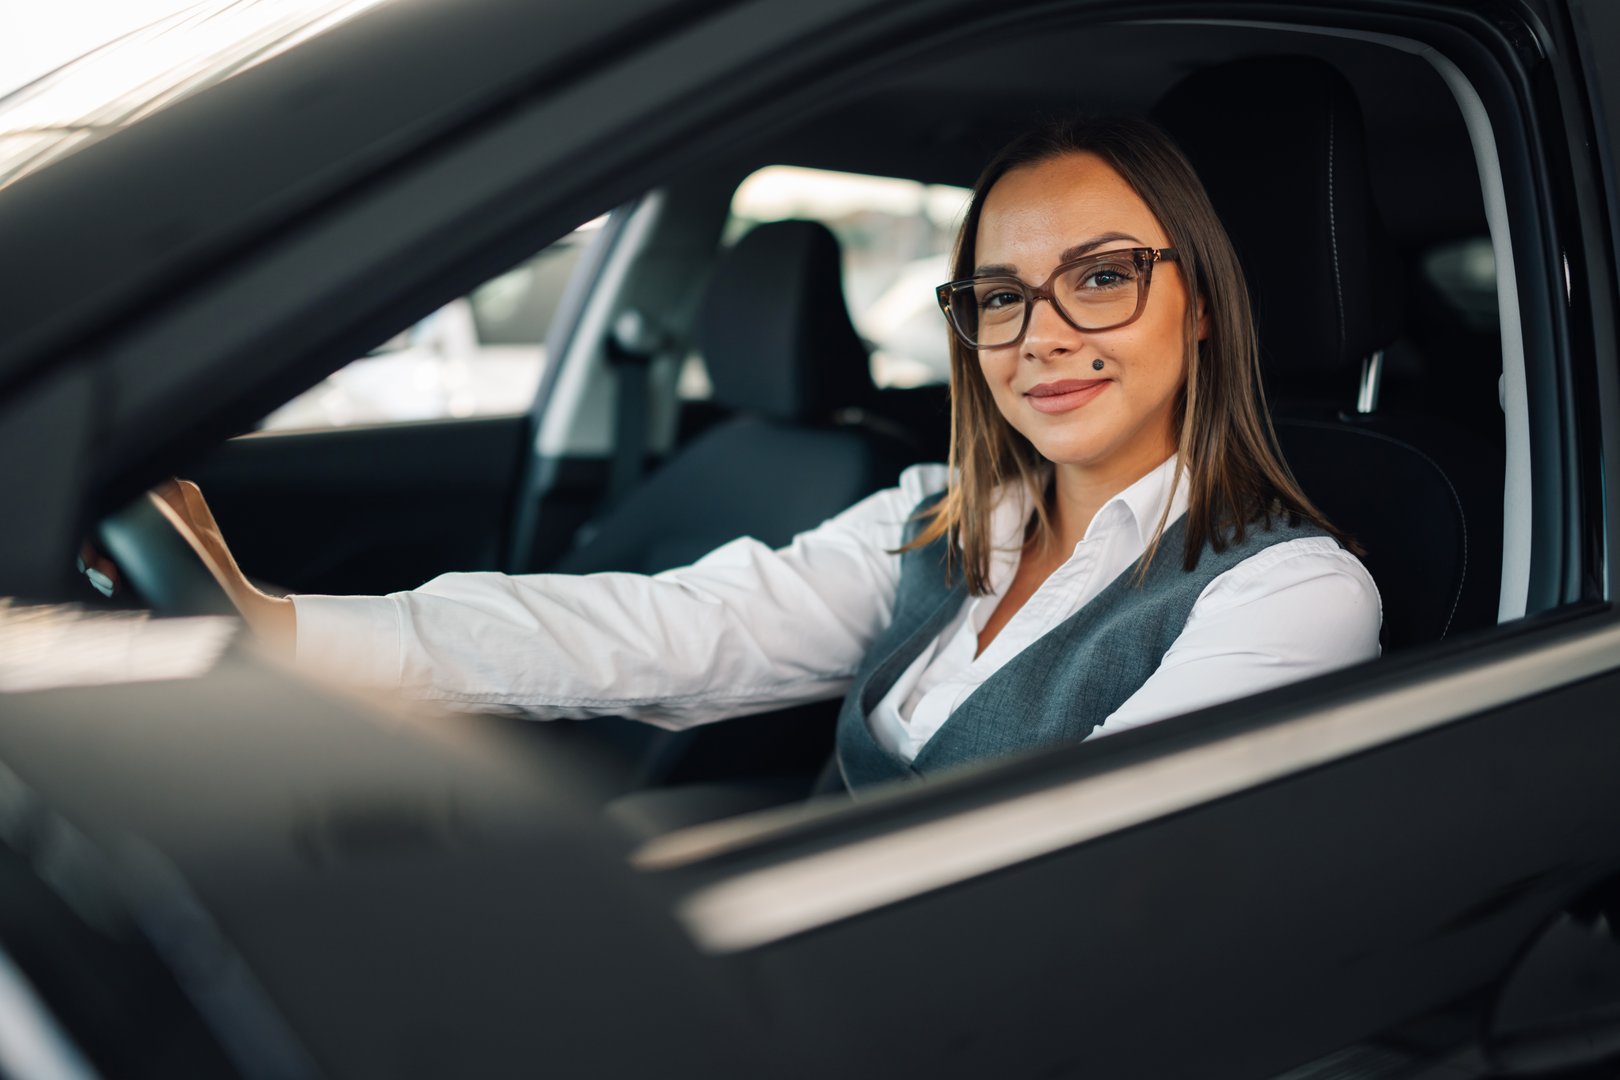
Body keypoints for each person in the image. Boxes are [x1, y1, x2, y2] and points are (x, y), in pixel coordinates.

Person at [164, 115, 1381, 793]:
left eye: (1102, 278)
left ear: (1204, 303)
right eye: (1000, 297)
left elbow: (1096, 875)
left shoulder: (1288, 594)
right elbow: (669, 628)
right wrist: (282, 633)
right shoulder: (936, 518)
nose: (1042, 337)